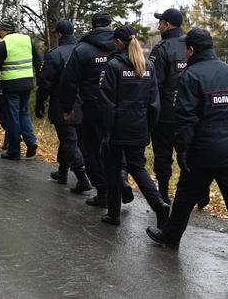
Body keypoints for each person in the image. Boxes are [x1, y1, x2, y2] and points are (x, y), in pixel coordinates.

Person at [146, 28, 228, 269]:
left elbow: (186, 118)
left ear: (191, 50)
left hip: (203, 150)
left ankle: (170, 236)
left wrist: (182, 150)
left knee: (186, 195)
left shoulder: (191, 75)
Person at [98, 25, 169, 227]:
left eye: (115, 41)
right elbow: (154, 103)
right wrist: (148, 128)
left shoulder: (113, 66)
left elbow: (107, 103)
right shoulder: (148, 67)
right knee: (138, 168)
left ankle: (113, 214)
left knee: (112, 170)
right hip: (139, 127)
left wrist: (107, 131)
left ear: (119, 42)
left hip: (118, 128)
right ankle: (159, 204)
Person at [60, 12, 132, 208]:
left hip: (92, 107)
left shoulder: (82, 49)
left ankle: (103, 191)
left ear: (92, 26)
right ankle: (121, 178)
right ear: (110, 25)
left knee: (91, 149)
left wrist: (67, 108)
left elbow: (69, 81)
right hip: (119, 106)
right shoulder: (122, 46)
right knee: (116, 145)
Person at [35, 20, 91, 193]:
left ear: (59, 35)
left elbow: (45, 82)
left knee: (68, 140)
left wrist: (39, 102)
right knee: (70, 139)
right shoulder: (85, 51)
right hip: (86, 103)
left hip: (62, 104)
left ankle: (82, 178)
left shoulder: (55, 54)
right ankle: (62, 172)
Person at [0, 19, 41, 160]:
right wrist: (39, 81)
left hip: (11, 85)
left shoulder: (3, 45)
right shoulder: (27, 41)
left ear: (5, 30)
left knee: (12, 117)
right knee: (23, 113)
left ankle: (14, 150)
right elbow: (38, 62)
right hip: (28, 83)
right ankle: (31, 142)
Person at [149, 8, 187, 205]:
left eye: (161, 22)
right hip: (189, 113)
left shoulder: (162, 48)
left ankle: (163, 194)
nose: (159, 26)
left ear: (167, 25)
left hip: (166, 113)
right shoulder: (192, 45)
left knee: (163, 154)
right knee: (186, 153)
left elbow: (155, 84)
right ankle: (193, 193)